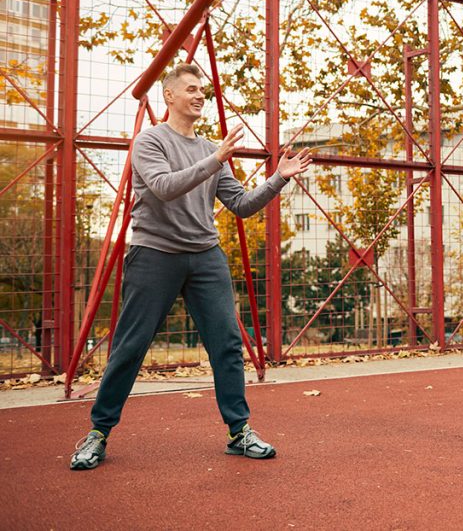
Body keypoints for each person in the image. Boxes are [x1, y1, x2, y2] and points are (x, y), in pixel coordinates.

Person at [70, 63, 312, 470]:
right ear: (170, 96)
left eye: (204, 91)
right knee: (130, 347)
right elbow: (164, 188)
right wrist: (216, 158)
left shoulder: (209, 151)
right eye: (193, 89)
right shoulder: (150, 141)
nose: (201, 96)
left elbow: (240, 205)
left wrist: (278, 178)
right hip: (154, 255)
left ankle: (240, 432)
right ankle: (98, 432)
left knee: (228, 345)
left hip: (205, 256)